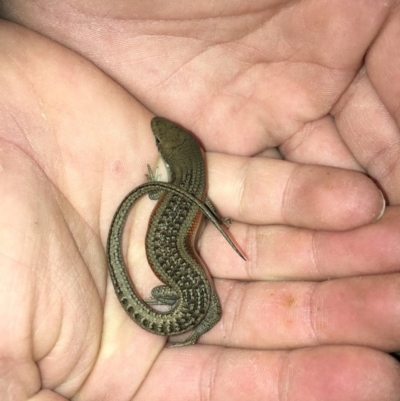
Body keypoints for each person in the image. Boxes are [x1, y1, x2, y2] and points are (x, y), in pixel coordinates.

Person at [0, 2, 399, 400]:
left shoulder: (180, 189)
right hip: (180, 284)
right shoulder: (192, 184)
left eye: (161, 142)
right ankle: (189, 330)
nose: (158, 138)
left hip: (178, 276)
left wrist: (164, 197)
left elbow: (171, 201)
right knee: (205, 309)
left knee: (202, 307)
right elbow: (192, 215)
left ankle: (187, 326)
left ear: (177, 159)